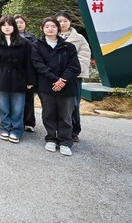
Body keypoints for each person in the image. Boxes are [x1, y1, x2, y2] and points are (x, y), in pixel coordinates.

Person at [31, 17, 81, 156]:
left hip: (66, 86)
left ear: (58, 28)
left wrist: (63, 80)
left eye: (53, 26)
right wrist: (55, 79)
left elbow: (74, 67)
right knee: (49, 113)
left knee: (65, 115)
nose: (50, 29)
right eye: (47, 26)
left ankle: (65, 141)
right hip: (46, 85)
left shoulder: (68, 46)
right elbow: (38, 64)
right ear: (42, 28)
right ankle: (51, 138)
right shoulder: (36, 46)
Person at [0, 16, 36, 144]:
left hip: (19, 77)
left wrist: (30, 80)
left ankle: (16, 130)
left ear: (14, 27)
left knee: (18, 107)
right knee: (3, 106)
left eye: (9, 24)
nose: (7, 27)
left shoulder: (24, 43)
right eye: (4, 25)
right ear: (0, 27)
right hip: (1, 77)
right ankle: (5, 128)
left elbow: (29, 62)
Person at [55, 11, 91, 143]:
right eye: (59, 21)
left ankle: (74, 131)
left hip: (74, 77)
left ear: (70, 22)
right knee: (56, 104)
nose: (62, 23)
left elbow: (84, 57)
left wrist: (68, 73)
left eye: (65, 21)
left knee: (73, 104)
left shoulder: (79, 38)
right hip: (55, 77)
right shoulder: (51, 36)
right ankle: (57, 130)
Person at [15, 14, 37, 132]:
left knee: (29, 98)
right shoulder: (8, 37)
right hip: (14, 72)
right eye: (16, 22)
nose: (19, 24)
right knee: (15, 98)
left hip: (28, 71)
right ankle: (17, 121)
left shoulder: (32, 38)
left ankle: (29, 122)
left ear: (25, 24)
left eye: (21, 22)